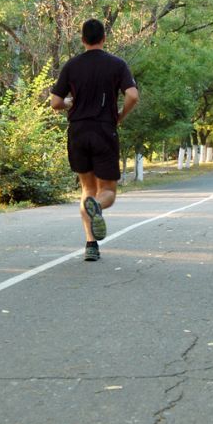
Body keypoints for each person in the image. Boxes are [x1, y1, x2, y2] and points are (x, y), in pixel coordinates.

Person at [50, 19, 139, 261]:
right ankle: (98, 207)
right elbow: (132, 95)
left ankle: (91, 244)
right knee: (107, 191)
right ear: (104, 39)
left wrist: (69, 103)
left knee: (87, 189)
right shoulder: (117, 65)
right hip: (103, 131)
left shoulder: (71, 65)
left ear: (82, 39)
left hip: (78, 131)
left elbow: (55, 103)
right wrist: (119, 116)